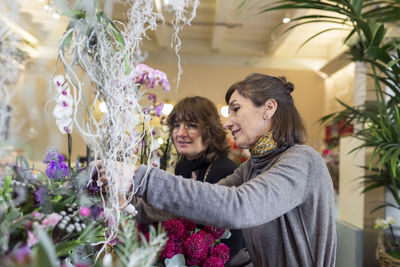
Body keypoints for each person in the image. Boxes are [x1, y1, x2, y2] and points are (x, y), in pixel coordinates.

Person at [105, 73, 337, 266]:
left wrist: (141, 177)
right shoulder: (251, 167)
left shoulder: (303, 160)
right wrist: (129, 206)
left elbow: (238, 207)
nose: (227, 122)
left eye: (235, 109)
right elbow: (195, 206)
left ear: (269, 108)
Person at [167, 96, 245, 262]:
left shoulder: (225, 170)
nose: (180, 133)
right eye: (176, 125)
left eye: (191, 126)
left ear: (210, 131)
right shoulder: (182, 167)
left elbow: (234, 242)